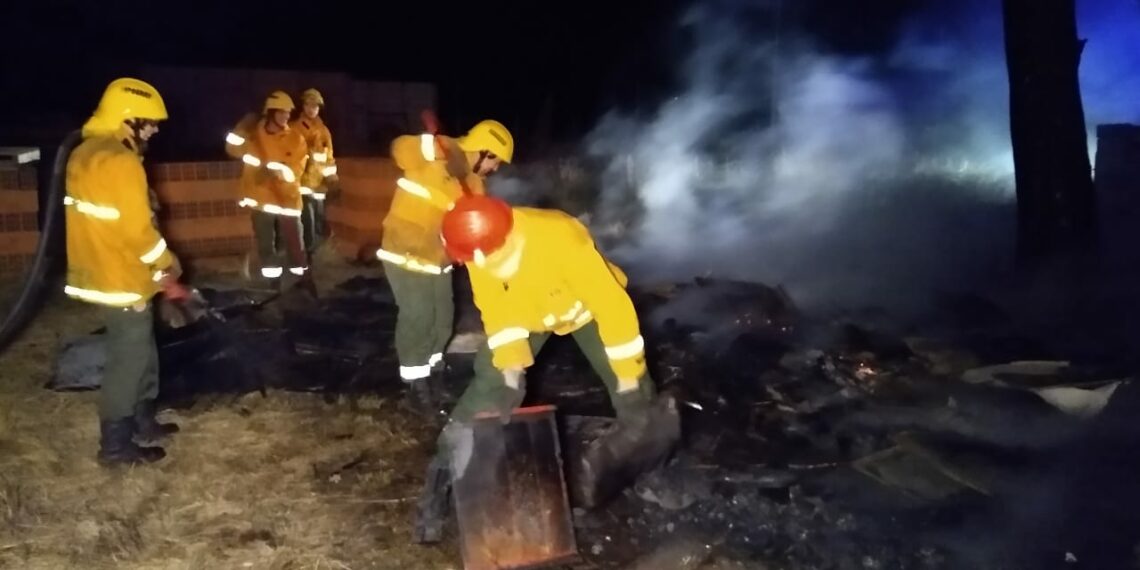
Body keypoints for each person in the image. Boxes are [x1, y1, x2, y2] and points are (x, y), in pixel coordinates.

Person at [411, 194, 679, 543]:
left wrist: (627, 372)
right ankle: (441, 481)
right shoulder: (477, 243)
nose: (473, 267)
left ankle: (648, 470)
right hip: (530, 315)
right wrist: (509, 373)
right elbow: (497, 312)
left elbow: (612, 307)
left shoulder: (561, 238)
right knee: (490, 384)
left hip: (586, 309)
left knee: (634, 390)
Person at [64, 77, 190, 466]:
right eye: (148, 122)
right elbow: (137, 230)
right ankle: (116, 445)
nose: (153, 129)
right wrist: (166, 264)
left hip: (109, 268)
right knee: (129, 357)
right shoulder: (119, 161)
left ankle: (142, 418)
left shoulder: (87, 153)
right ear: (127, 119)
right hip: (120, 274)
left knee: (142, 347)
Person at [376, 119, 514, 414]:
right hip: (406, 251)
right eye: (496, 161)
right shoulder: (436, 154)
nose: (496, 169)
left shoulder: (474, 184)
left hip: (439, 258)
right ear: (483, 151)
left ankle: (432, 373)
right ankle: (414, 385)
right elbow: (399, 149)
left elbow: (473, 225)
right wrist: (434, 147)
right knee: (419, 316)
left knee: (443, 320)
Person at [225, 91, 311, 293]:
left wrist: (274, 171)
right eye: (281, 112)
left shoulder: (295, 138)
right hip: (260, 198)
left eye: (288, 113)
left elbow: (296, 170)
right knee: (266, 245)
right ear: (270, 113)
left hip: (287, 199)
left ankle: (301, 281)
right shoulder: (254, 136)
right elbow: (232, 149)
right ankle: (274, 283)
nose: (285, 117)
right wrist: (241, 128)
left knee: (295, 245)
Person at [289, 88, 338, 259]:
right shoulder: (295, 128)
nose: (312, 109)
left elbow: (328, 156)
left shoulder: (324, 130)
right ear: (303, 106)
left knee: (318, 220)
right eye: (309, 105)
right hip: (302, 183)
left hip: (319, 184)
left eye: (315, 106)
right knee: (307, 220)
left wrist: (332, 177)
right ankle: (307, 254)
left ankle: (314, 252)